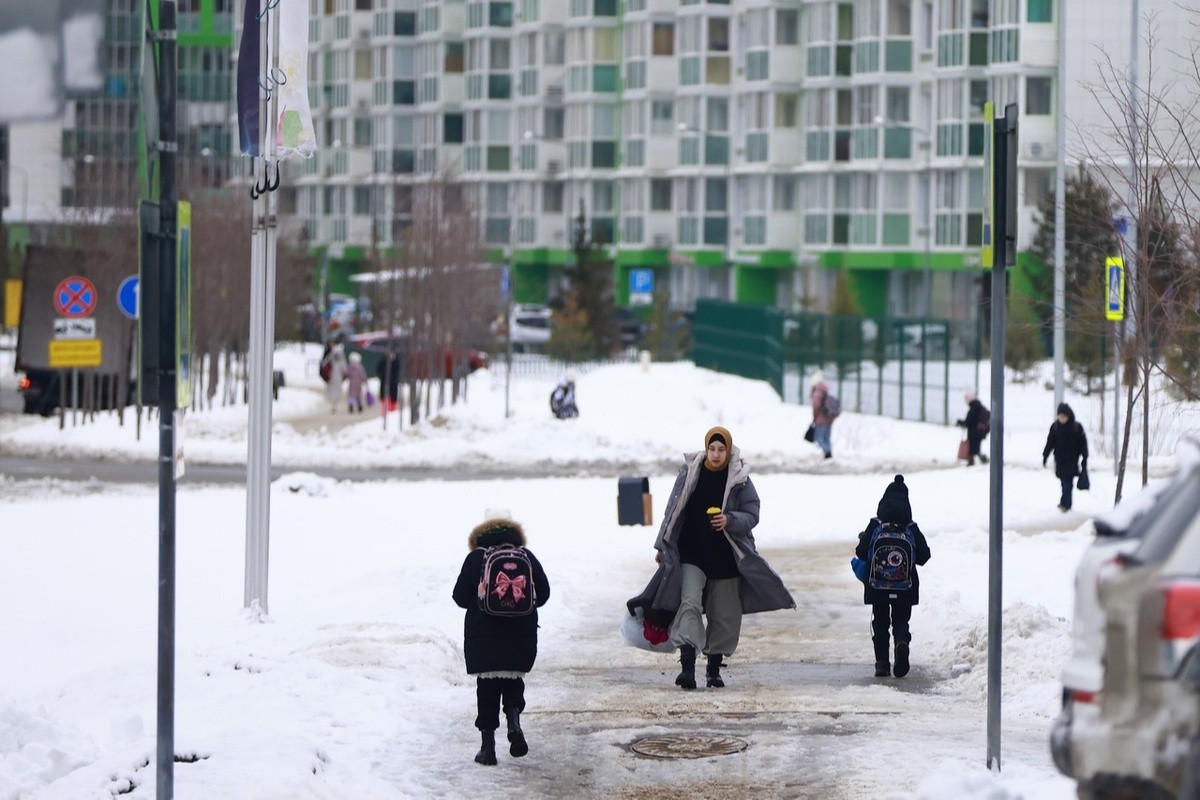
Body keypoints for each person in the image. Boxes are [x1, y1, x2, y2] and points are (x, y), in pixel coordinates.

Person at [627, 426, 795, 690]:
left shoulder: (739, 477)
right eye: (712, 449)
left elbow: (752, 513)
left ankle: (713, 669)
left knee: (725, 613)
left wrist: (730, 519)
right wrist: (663, 547)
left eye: (721, 450)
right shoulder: (691, 472)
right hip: (691, 552)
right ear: (706, 449)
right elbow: (673, 512)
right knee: (689, 603)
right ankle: (687, 667)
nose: (716, 454)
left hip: (726, 556)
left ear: (728, 451)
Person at [452, 514, 551, 766]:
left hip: (482, 639)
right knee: (513, 681)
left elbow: (460, 597)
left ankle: (488, 749)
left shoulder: (475, 558)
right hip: (519, 635)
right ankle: (514, 723)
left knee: (487, 689)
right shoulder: (525, 556)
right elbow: (544, 594)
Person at [854, 475, 931, 678]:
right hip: (905, 586)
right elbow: (924, 556)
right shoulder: (911, 527)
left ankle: (882, 664)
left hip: (877, 586)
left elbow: (860, 552)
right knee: (900, 621)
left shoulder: (875, 524)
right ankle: (901, 642)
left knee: (880, 622)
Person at [1043, 402, 1088, 512]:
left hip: (1072, 460)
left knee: (1068, 482)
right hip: (1060, 460)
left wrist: (1085, 456)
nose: (1062, 419)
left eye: (1064, 416)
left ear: (1068, 416)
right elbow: (1050, 443)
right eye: (1060, 416)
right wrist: (1045, 455)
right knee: (1064, 483)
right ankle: (1067, 504)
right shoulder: (1055, 427)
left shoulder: (1076, 427)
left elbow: (1083, 443)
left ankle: (1064, 504)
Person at [955, 392, 990, 466]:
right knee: (975, 448)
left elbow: (969, 421)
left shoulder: (974, 408)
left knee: (973, 448)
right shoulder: (979, 407)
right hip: (980, 431)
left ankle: (973, 462)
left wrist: (961, 423)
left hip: (974, 432)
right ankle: (979, 460)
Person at [810, 371, 834, 459]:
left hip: (820, 420)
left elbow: (816, 405)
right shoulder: (825, 390)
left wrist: (815, 416)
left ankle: (827, 452)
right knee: (827, 438)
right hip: (829, 419)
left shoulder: (817, 393)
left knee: (818, 438)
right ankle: (829, 454)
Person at [320, 342, 348, 413]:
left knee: (332, 390)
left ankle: (332, 404)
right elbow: (344, 368)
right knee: (336, 390)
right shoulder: (340, 359)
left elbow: (324, 364)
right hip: (337, 377)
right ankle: (334, 403)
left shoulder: (330, 357)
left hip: (332, 377)